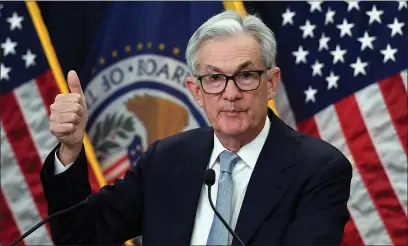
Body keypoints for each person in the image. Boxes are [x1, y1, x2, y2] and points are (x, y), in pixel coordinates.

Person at [41, 10, 352, 245]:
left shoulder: (318, 168)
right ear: (195, 91)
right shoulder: (167, 158)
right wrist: (70, 148)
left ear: (270, 83)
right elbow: (81, 237)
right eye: (214, 78)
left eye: (245, 76)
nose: (230, 93)